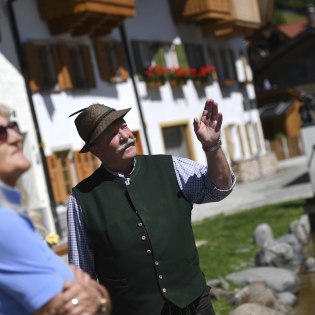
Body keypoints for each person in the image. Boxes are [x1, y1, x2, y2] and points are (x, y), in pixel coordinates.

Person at [67, 99, 236, 315]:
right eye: (112, 133)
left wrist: (212, 147)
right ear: (96, 151)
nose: (126, 136)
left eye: (124, 126)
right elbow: (82, 274)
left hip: (194, 305)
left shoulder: (171, 167)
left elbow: (220, 188)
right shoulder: (82, 199)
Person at [0, 103, 112, 315]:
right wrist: (95, 296)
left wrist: (97, 297)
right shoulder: (5, 223)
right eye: (1, 133)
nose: (16, 137)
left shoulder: (11, 215)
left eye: (13, 126)